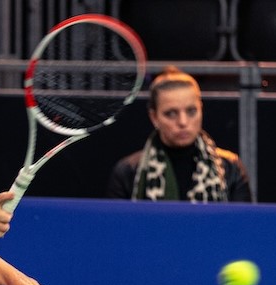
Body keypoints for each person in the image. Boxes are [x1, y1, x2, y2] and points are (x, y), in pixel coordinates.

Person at [106, 67, 252, 203]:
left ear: (201, 109)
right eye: (171, 113)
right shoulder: (127, 173)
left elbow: (243, 221)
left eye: (191, 111)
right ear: (154, 117)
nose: (183, 122)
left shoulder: (230, 168)